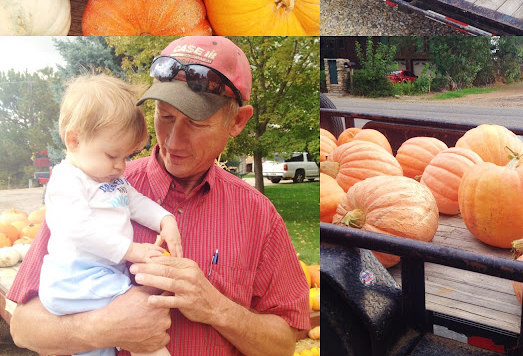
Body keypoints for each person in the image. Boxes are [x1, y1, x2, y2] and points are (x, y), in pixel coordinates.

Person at [8, 36, 311, 356]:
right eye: (165, 116)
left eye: (196, 123)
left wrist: (216, 308)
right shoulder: (93, 186)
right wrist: (102, 327)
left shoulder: (258, 214)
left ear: (237, 121)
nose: (173, 141)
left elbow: (283, 345)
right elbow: (23, 328)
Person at [40, 75, 183, 356]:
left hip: (99, 277)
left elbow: (136, 203)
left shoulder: (111, 179)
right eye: (112, 155)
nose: (121, 166)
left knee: (98, 350)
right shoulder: (67, 181)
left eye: (126, 157)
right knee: (139, 319)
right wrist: (132, 250)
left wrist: (166, 219)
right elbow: (78, 229)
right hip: (75, 278)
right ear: (75, 140)